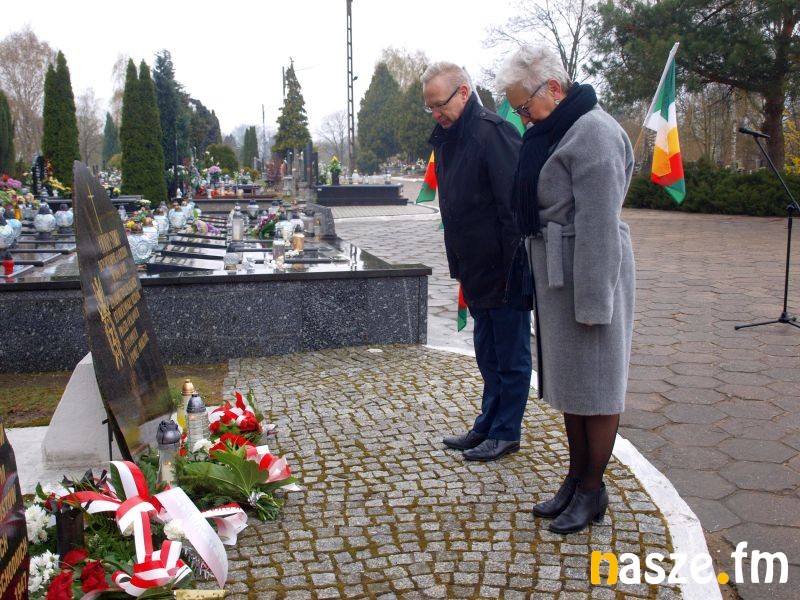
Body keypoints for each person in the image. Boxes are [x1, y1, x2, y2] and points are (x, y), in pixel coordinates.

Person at [495, 45, 635, 534]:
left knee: (597, 388)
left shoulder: (594, 133)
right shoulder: (557, 129)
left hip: (589, 275)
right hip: (561, 274)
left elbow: (599, 224)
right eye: (516, 108)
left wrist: (595, 304)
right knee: (575, 387)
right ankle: (576, 480)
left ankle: (593, 490)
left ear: (553, 87)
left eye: (524, 105)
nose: (522, 117)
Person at [422, 62, 532, 462]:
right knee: (488, 353)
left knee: (510, 355)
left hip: (503, 268)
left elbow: (512, 207)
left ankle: (506, 432)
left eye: (440, 104)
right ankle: (487, 424)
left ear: (464, 93)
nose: (436, 113)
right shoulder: (448, 138)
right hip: (474, 267)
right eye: (430, 107)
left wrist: (513, 268)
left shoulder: (493, 133)